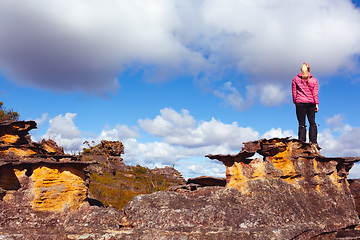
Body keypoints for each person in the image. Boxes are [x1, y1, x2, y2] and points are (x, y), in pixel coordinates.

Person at [292, 62, 319, 147]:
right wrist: (317, 104)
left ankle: (301, 142)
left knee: (301, 123)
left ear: (301, 70)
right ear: (309, 70)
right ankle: (313, 142)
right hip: (311, 103)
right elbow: (315, 94)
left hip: (300, 103)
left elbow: (294, 93)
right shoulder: (314, 80)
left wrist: (295, 102)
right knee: (312, 122)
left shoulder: (295, 79)